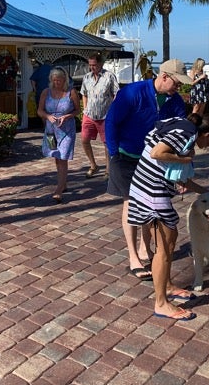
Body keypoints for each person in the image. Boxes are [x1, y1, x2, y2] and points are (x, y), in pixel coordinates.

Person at [104, 59, 190, 282]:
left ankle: (145, 248)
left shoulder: (176, 102)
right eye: (177, 83)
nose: (178, 88)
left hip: (154, 161)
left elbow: (180, 137)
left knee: (151, 204)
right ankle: (133, 256)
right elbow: (111, 122)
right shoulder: (132, 93)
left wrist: (181, 167)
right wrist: (113, 153)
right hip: (126, 155)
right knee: (131, 203)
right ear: (164, 77)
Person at [128, 115, 202, 322]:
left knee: (166, 243)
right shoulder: (188, 131)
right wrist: (185, 159)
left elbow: (180, 178)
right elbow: (157, 153)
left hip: (143, 187)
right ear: (205, 134)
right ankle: (161, 303)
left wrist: (206, 192)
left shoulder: (176, 124)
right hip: (152, 193)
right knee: (166, 248)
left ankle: (167, 286)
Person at [39, 67, 78, 203]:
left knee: (63, 157)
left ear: (64, 80)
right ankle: (64, 182)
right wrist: (47, 116)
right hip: (51, 130)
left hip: (67, 130)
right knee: (56, 156)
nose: (57, 83)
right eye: (55, 81)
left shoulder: (71, 92)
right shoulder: (46, 92)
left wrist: (67, 116)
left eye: (59, 81)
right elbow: (40, 110)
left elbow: (77, 110)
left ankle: (59, 189)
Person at [80, 54, 119, 178]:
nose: (92, 67)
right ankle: (93, 165)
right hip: (89, 115)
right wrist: (85, 109)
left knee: (107, 143)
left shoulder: (109, 76)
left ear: (101, 64)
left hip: (105, 115)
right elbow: (84, 93)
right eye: (90, 65)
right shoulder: (86, 77)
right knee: (84, 140)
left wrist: (114, 112)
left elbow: (116, 94)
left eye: (94, 65)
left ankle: (108, 169)